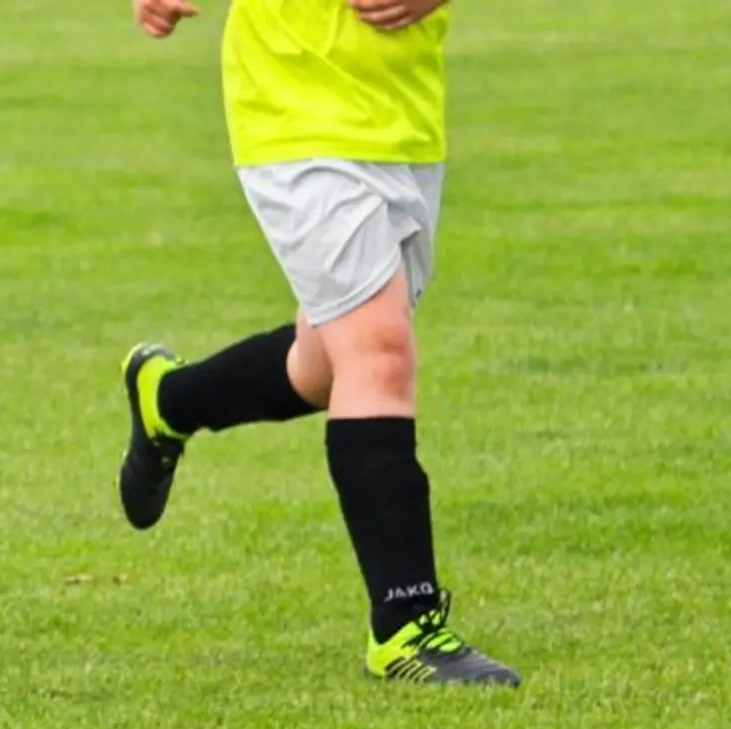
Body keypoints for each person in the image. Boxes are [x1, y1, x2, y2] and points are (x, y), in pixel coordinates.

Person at [116, 0, 519, 685]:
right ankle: (404, 622)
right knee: (380, 353)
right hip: (293, 111)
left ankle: (169, 401)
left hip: (404, 118)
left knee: (329, 363)